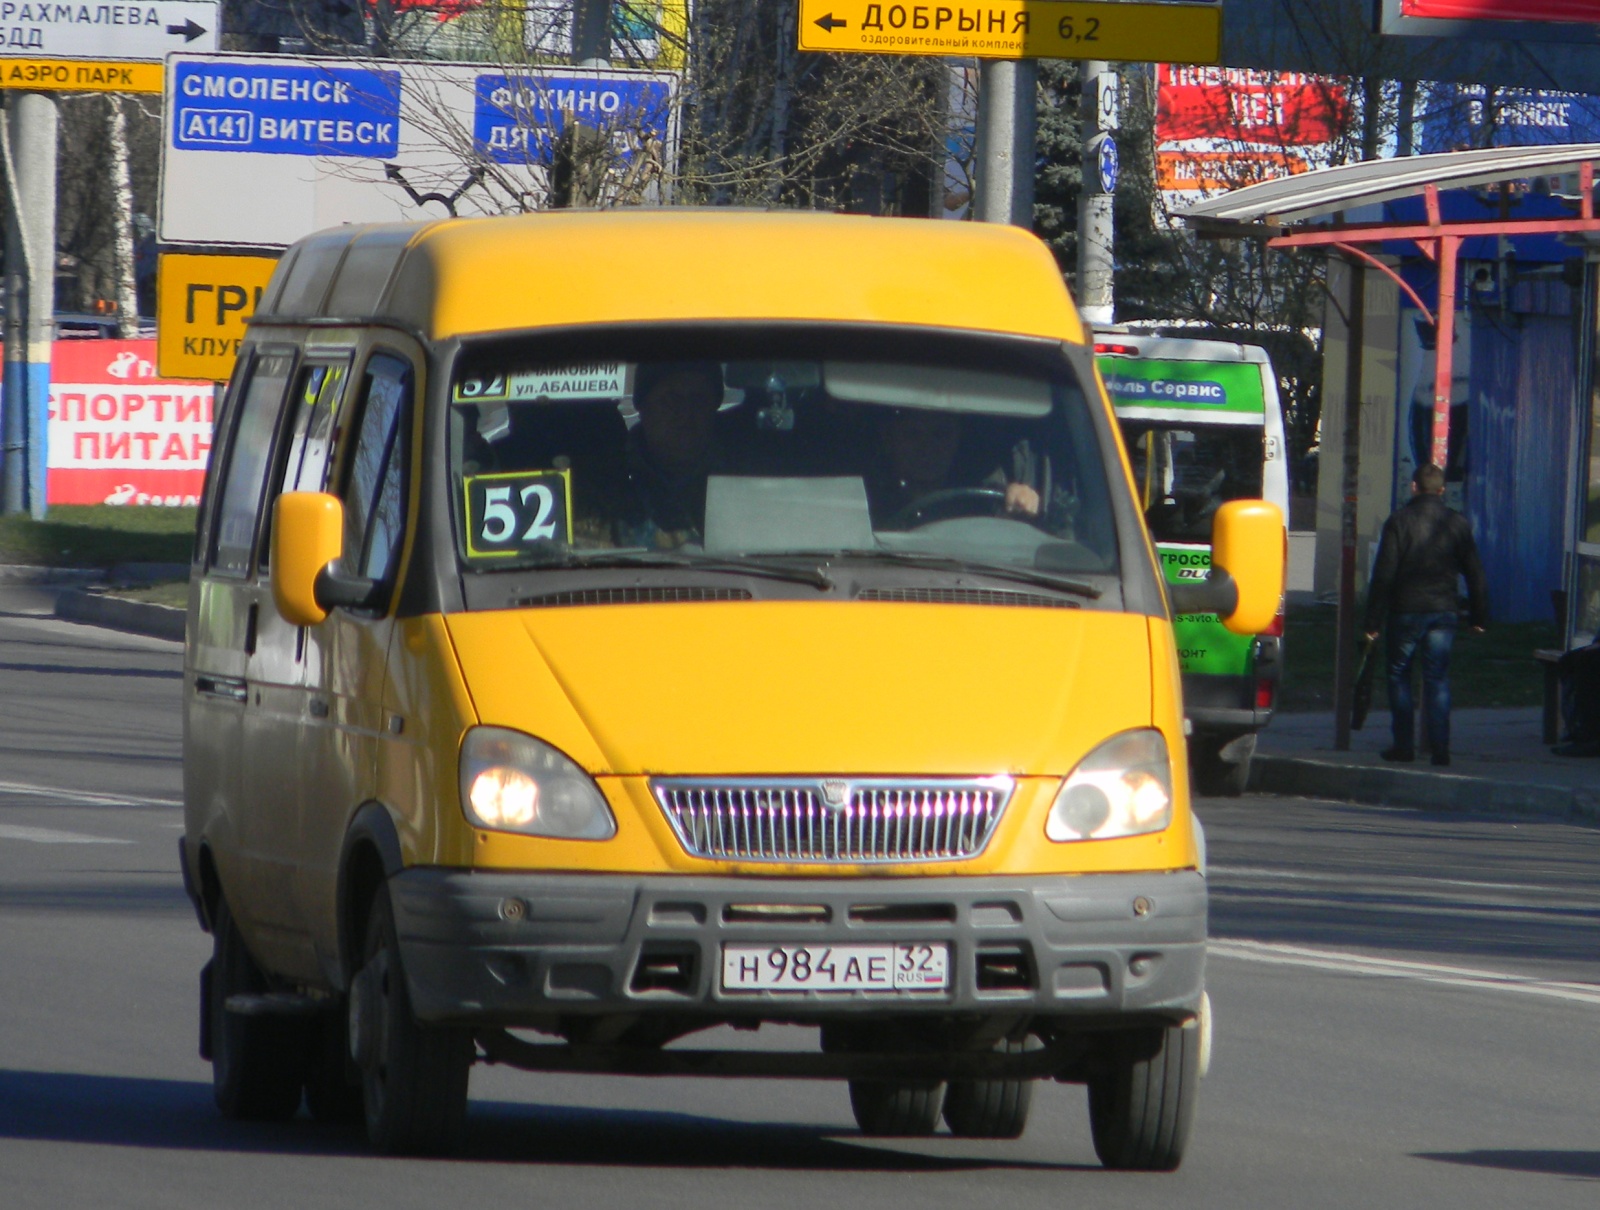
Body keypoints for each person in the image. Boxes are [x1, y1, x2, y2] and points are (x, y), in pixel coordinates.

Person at [1362, 462, 1488, 766]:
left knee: (1398, 675)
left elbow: (1384, 574)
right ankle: (1440, 748)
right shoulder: (1456, 524)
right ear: (1442, 491)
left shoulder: (1398, 522)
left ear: (1413, 487)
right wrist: (1479, 616)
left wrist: (1372, 620)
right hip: (1443, 610)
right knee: (1437, 679)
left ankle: (1403, 746)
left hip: (1405, 610)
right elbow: (1475, 572)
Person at [869, 407, 1044, 527]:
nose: (927, 448)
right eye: (912, 435)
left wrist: (1021, 501)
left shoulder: (983, 501)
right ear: (889, 439)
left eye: (941, 435)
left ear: (957, 438)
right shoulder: (864, 499)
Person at [614, 360, 726, 547]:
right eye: (671, 400)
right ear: (642, 405)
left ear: (714, 407)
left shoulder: (748, 475)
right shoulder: (610, 480)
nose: (685, 413)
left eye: (698, 400)